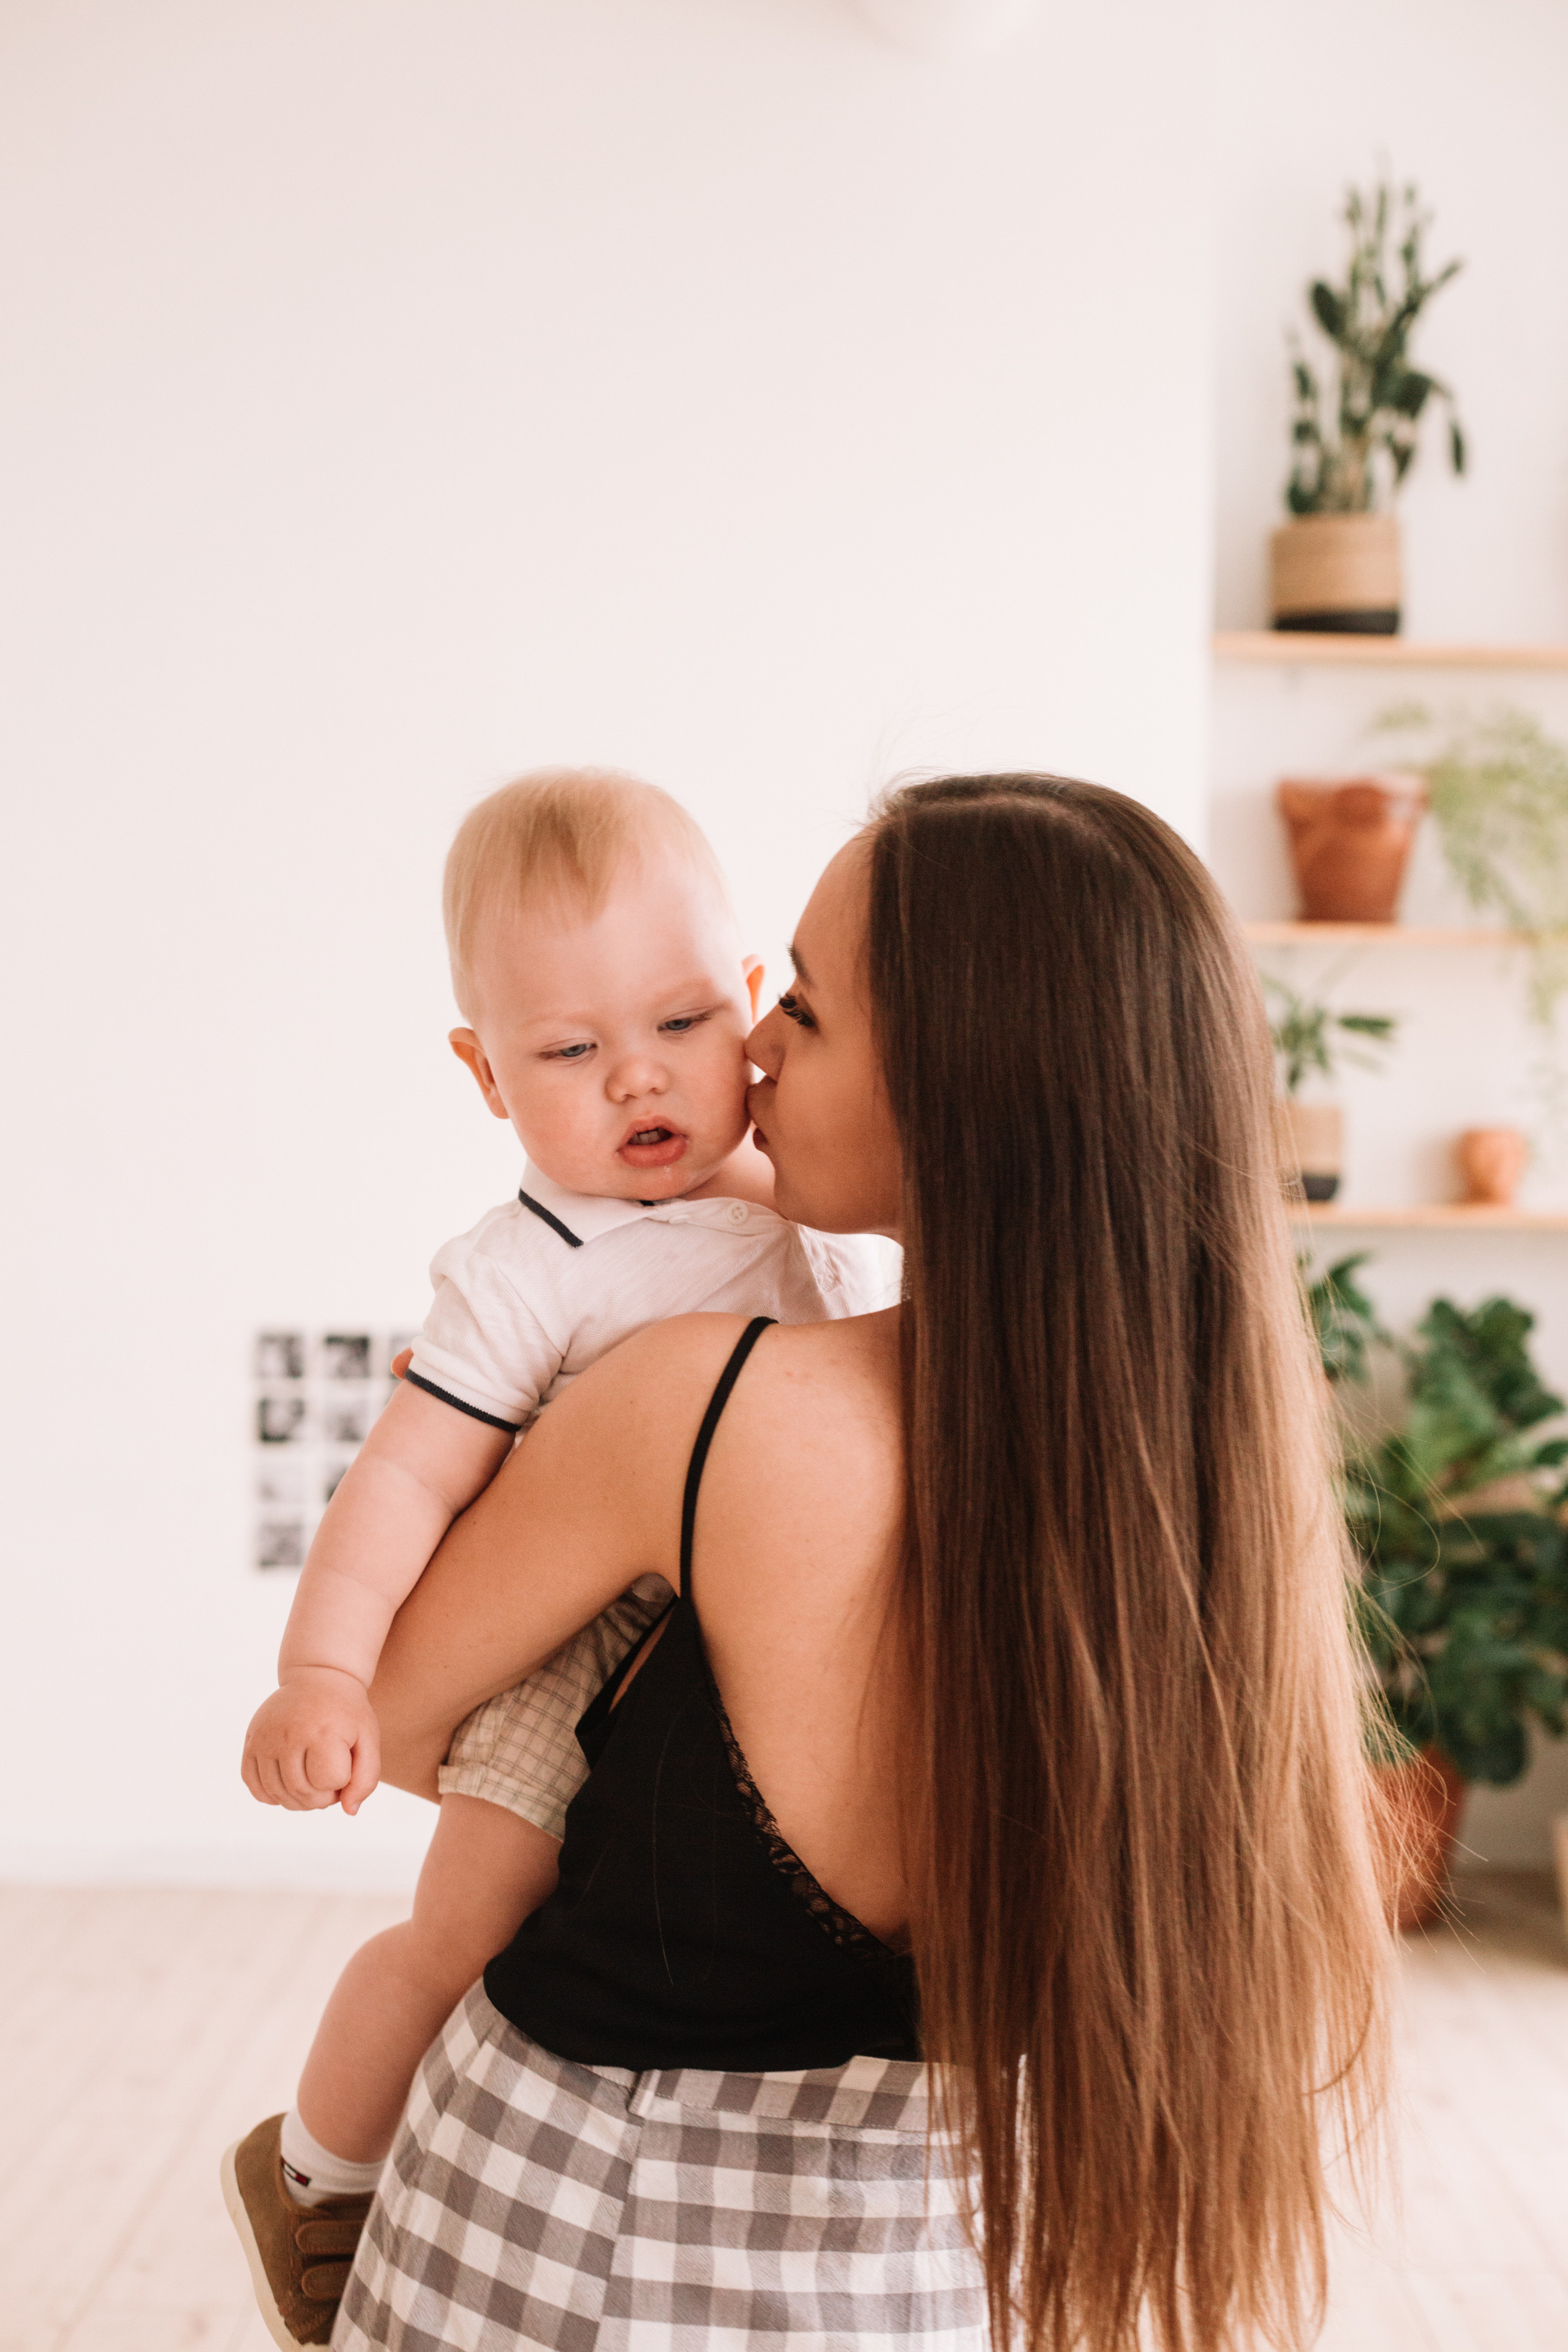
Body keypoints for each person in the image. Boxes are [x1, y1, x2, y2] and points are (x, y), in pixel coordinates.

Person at [327, 774, 1392, 2352]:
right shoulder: (1202, 1494)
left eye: (808, 1011)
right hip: (943, 2272)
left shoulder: (701, 1405)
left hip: (571, 2245)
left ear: (959, 1087)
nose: (751, 1045)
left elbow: (400, 1722)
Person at [225, 769, 891, 2348]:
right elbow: (402, 1478)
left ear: (744, 1007)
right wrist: (321, 1672)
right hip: (582, 1638)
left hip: (759, 1631)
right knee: (463, 1934)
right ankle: (318, 2176)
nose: (638, 1078)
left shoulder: (806, 1208)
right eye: (570, 1052)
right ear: (484, 1073)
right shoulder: (527, 1270)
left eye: (681, 1022)